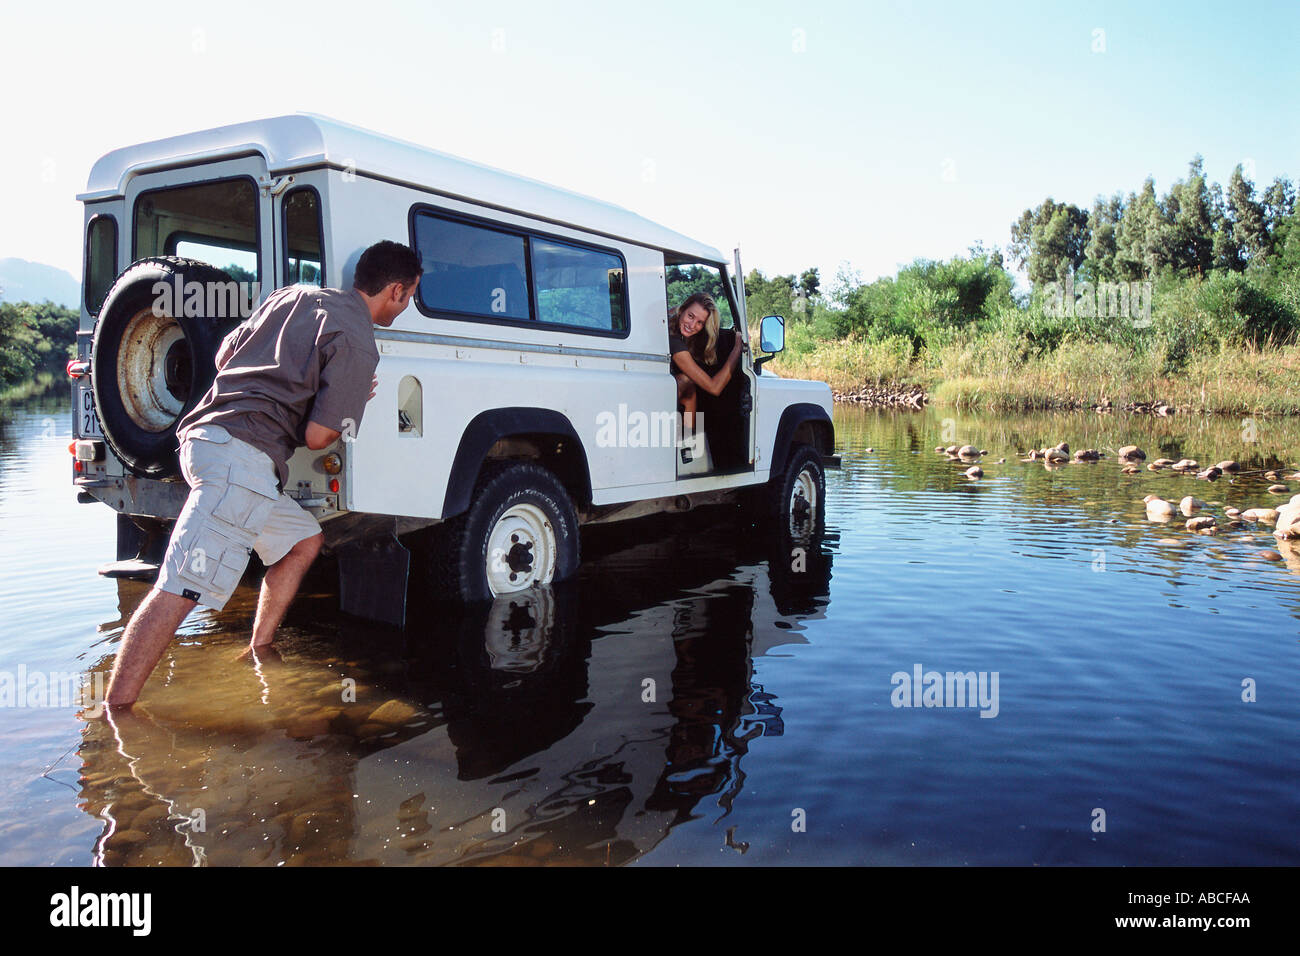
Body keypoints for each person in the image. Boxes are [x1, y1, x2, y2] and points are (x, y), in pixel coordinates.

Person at [104, 240, 424, 708]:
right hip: (242, 460)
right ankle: (117, 714)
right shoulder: (358, 341)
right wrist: (352, 407)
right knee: (180, 587)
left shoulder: (292, 295)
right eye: (411, 295)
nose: (408, 304)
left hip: (206, 442)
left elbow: (222, 357)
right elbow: (318, 437)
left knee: (303, 539)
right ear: (395, 290)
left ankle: (259, 647)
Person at [668, 291, 745, 432]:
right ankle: (688, 441)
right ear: (682, 310)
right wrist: (737, 350)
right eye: (690, 316)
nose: (692, 325)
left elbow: (672, 310)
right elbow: (714, 388)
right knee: (686, 381)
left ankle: (688, 440)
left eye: (700, 323)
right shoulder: (675, 343)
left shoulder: (669, 320)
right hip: (654, 403)